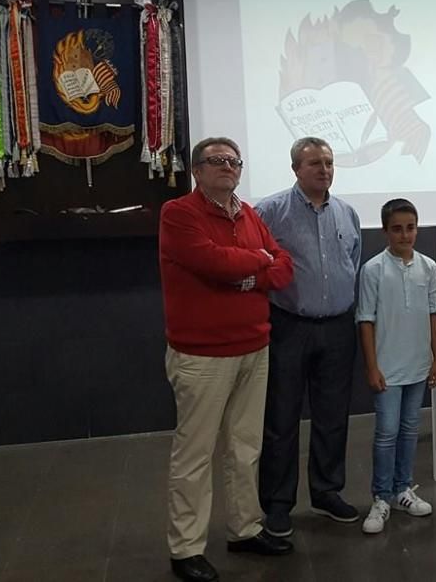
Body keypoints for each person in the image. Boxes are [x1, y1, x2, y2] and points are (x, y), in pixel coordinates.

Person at [159, 137, 295, 582]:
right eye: (216, 161)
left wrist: (249, 272)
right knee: (194, 455)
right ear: (197, 171)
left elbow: (283, 266)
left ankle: (244, 528)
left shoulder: (250, 213)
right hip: (202, 356)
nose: (227, 167)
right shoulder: (179, 214)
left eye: (233, 161)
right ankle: (186, 549)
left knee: (244, 447)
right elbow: (211, 262)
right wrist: (256, 263)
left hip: (254, 348)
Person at [256, 136, 362, 537]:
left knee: (333, 417)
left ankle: (327, 491)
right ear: (296, 168)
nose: (324, 170)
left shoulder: (347, 214)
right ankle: (278, 503)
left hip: (337, 327)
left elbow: (352, 264)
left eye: (330, 163)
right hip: (289, 326)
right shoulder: (269, 212)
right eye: (315, 163)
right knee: (281, 419)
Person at [356, 198, 436, 534]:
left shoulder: (428, 267)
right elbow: (365, 320)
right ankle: (381, 496)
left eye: (410, 228)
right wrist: (372, 367)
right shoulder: (374, 270)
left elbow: (434, 313)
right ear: (385, 231)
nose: (405, 235)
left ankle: (403, 488)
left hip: (418, 365)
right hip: (388, 369)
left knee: (409, 430)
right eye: (397, 229)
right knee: (386, 432)